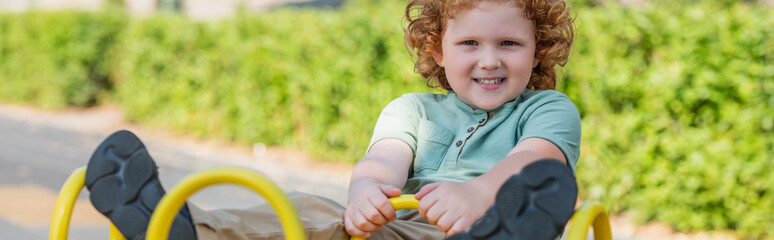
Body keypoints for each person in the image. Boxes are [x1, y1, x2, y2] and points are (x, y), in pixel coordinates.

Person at [84, 0, 580, 239]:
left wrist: (476, 194)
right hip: (404, 232)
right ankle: (186, 231)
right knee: (310, 210)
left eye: (509, 44)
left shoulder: (545, 108)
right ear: (438, 49)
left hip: (484, 225)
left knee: (502, 223)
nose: (490, 60)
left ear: (537, 49)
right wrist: (365, 194)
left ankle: (505, 232)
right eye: (470, 43)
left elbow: (536, 162)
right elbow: (383, 160)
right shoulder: (411, 110)